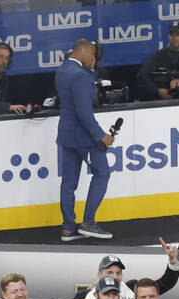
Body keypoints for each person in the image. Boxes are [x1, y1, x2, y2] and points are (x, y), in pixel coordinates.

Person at [56, 39, 114, 242]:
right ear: (84, 51)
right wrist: (101, 136)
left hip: (66, 134)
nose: (94, 59)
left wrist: (91, 68)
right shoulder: (80, 75)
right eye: (93, 55)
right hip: (83, 136)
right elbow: (84, 113)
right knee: (103, 173)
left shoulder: (63, 70)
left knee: (68, 182)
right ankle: (88, 222)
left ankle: (68, 229)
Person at [137, 21, 179, 102]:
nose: (175, 38)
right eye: (172, 34)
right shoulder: (158, 56)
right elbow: (142, 76)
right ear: (168, 36)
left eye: (178, 34)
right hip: (162, 103)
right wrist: (158, 91)